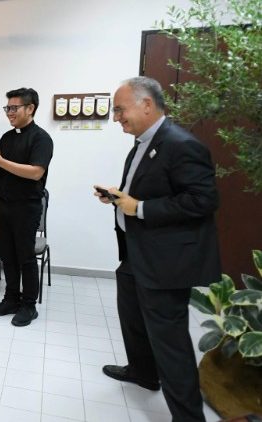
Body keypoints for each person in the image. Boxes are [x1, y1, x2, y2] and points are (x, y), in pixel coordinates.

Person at [95, 76, 220, 422]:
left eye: (121, 109)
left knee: (171, 343)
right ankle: (142, 371)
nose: (117, 117)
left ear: (146, 104)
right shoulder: (142, 143)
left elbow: (203, 200)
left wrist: (141, 208)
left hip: (165, 262)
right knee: (132, 320)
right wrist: (119, 199)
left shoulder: (181, 144)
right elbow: (143, 192)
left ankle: (188, 416)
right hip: (136, 253)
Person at [0, 88, 53, 327]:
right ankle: (11, 298)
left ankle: (29, 305)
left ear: (30, 108)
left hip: (27, 208)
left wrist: (0, 161)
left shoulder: (41, 138)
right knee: (7, 256)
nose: (9, 113)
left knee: (25, 257)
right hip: (3, 206)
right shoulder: (7, 137)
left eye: (14, 108)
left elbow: (35, 172)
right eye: (7, 108)